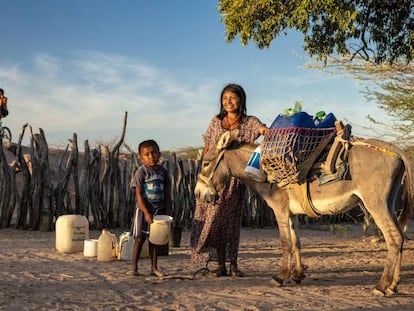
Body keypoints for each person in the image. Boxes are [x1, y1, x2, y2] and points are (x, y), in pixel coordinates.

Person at [191, 83, 269, 277]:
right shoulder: (215, 122)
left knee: (231, 223)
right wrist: (203, 175)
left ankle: (232, 264)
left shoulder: (249, 122)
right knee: (213, 221)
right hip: (213, 179)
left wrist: (267, 130)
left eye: (233, 98)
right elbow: (208, 148)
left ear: (241, 100)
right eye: (225, 99)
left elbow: (261, 130)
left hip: (234, 182)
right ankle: (220, 265)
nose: (228, 102)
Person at [128, 139, 172, 277]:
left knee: (155, 239)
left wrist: (168, 210)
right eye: (147, 154)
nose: (151, 156)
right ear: (141, 158)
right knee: (140, 239)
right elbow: (139, 195)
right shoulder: (141, 173)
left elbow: (167, 192)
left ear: (159, 154)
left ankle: (154, 267)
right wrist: (146, 212)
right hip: (143, 211)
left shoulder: (163, 172)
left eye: (154, 153)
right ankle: (134, 268)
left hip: (159, 210)